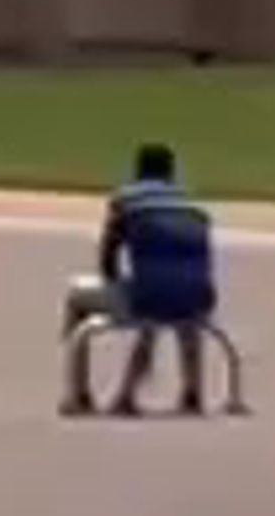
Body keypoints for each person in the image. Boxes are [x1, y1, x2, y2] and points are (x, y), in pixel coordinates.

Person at [60, 137, 237, 417]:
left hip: (150, 296)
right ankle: (191, 391)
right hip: (199, 297)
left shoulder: (126, 201)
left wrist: (117, 283)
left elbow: (108, 256)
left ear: (138, 171)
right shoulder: (190, 206)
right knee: (175, 296)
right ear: (171, 172)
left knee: (78, 297)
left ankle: (80, 393)